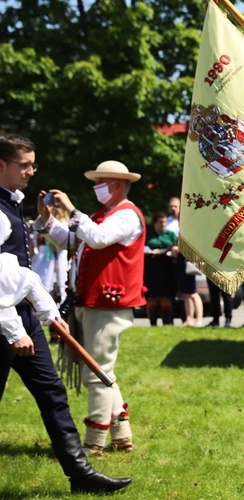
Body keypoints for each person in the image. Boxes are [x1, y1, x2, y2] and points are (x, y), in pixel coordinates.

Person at [0, 134, 131, 493]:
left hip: (22, 320)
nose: (31, 171)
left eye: (33, 163)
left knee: (53, 392)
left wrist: (46, 313)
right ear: (1, 165)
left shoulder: (12, 202)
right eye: (24, 164)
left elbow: (22, 274)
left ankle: (81, 476)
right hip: (4, 322)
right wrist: (13, 331)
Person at [38, 159, 146, 457]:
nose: (97, 187)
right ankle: (121, 436)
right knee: (102, 371)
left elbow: (97, 239)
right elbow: (72, 240)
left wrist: (72, 210)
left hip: (108, 303)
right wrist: (46, 219)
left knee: (96, 373)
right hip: (94, 301)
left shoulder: (127, 216)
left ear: (119, 185)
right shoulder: (103, 215)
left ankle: (93, 442)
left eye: (102, 182)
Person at [166, 196, 203, 327]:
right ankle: (189, 318)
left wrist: (179, 248)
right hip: (180, 259)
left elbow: (193, 243)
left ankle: (199, 320)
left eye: (176, 206)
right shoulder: (172, 222)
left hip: (188, 259)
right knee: (185, 293)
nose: (174, 209)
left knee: (193, 292)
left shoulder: (191, 224)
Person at [144, 211, 178, 326]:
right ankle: (153, 323)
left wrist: (173, 250)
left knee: (166, 295)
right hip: (151, 267)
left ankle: (166, 322)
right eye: (160, 222)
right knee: (152, 295)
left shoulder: (170, 234)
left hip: (167, 266)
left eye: (164, 222)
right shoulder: (148, 234)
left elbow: (176, 245)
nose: (163, 224)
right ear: (154, 223)